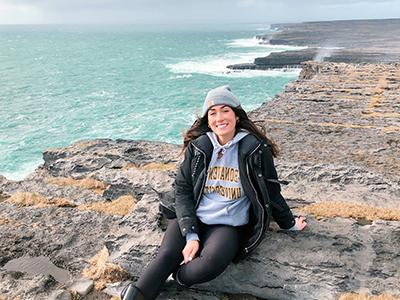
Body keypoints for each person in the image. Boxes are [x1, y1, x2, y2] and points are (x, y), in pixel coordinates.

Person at [121, 86, 307, 300]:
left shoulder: (255, 149)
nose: (219, 117)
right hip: (193, 214)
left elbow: (271, 192)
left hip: (228, 224)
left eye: (225, 110)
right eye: (213, 112)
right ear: (207, 120)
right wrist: (191, 236)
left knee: (211, 263)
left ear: (236, 115)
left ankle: (177, 278)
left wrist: (289, 224)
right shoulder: (199, 147)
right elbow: (182, 190)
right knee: (167, 255)